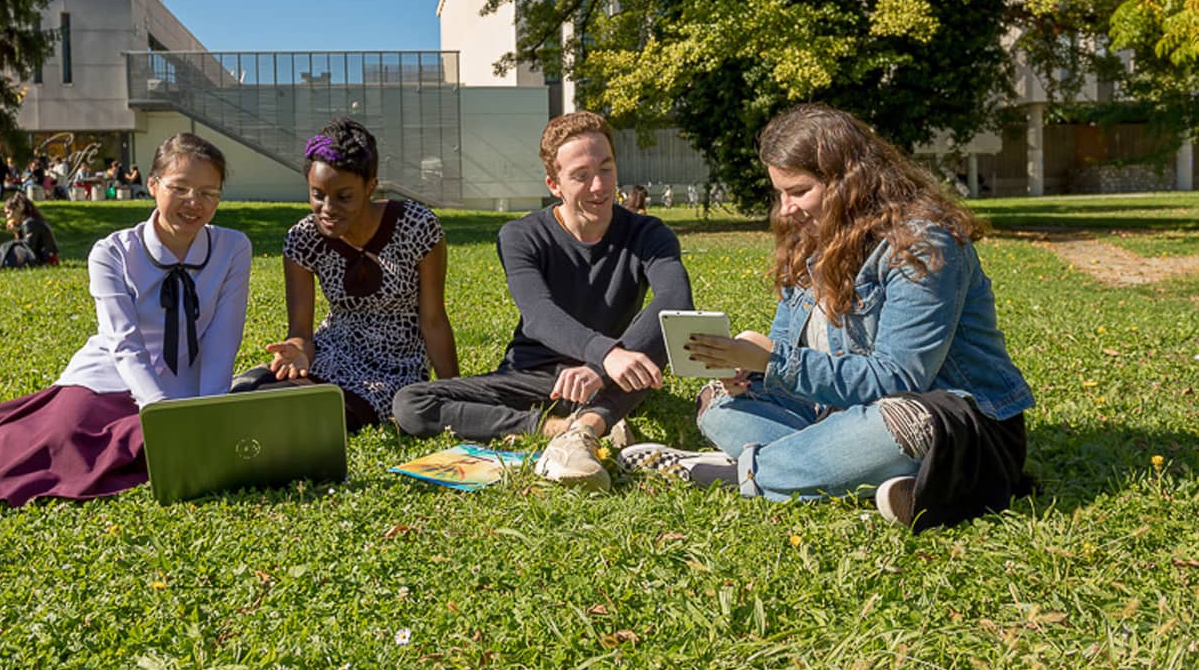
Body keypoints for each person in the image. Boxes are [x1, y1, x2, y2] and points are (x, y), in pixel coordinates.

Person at [617, 104, 1034, 529]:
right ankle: (865, 475)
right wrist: (748, 370)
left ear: (847, 182)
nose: (786, 209)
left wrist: (772, 361)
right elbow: (785, 348)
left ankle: (737, 473)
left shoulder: (923, 244)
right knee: (719, 403)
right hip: (835, 414)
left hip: (950, 424)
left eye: (798, 191)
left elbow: (898, 380)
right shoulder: (812, 240)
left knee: (899, 423)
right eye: (780, 193)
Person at [0, 133, 252, 509]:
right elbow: (124, 344)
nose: (193, 202)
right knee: (60, 442)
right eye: (180, 188)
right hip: (108, 379)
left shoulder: (233, 248)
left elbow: (222, 341)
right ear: (152, 185)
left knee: (147, 450)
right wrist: (162, 416)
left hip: (185, 387)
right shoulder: (112, 252)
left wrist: (206, 417)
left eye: (208, 193)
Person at [393, 112, 694, 491]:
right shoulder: (521, 236)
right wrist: (606, 353)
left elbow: (675, 302)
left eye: (606, 168)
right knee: (410, 404)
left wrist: (602, 365)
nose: (599, 185)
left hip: (607, 376)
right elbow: (538, 315)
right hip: (533, 376)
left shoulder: (649, 233)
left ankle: (588, 426)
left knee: (647, 358)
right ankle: (559, 427)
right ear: (554, 183)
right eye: (581, 176)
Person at [231, 118, 459, 432]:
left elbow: (432, 320)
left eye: (343, 196)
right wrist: (297, 349)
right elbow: (301, 331)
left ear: (370, 186)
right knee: (241, 393)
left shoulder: (417, 226)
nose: (327, 208)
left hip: (391, 371)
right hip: (330, 353)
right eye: (317, 194)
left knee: (290, 411)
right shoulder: (302, 239)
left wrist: (454, 393)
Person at [0, 192, 61, 268]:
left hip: (48, 260)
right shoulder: (29, 221)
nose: (8, 217)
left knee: (10, 247)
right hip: (46, 258)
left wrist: (17, 232)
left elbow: (28, 247)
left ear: (19, 208)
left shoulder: (30, 223)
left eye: (9, 213)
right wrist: (17, 232)